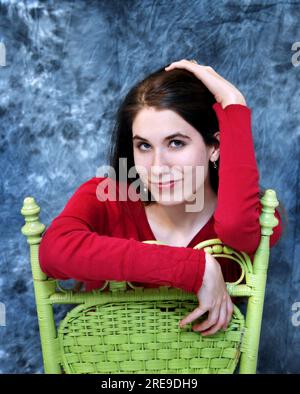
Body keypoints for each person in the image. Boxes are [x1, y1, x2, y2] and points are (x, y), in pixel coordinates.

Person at [38, 59, 285, 337]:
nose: (157, 166)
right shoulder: (107, 197)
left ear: (214, 146)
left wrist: (234, 104)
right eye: (144, 146)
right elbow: (52, 251)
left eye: (176, 143)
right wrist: (194, 268)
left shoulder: (256, 216)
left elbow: (236, 226)